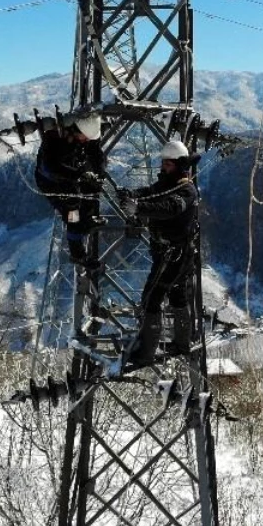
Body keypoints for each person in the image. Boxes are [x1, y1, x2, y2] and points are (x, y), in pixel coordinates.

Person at [120, 139, 200, 367]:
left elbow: (169, 208)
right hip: (175, 252)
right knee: (177, 294)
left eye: (168, 163)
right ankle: (181, 344)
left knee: (152, 298)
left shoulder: (186, 191)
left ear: (179, 165)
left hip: (174, 254)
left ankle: (145, 353)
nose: (163, 167)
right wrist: (133, 194)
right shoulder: (170, 184)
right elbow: (151, 192)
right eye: (163, 162)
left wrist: (139, 208)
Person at [34, 111, 105, 268]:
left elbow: (96, 154)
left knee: (91, 191)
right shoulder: (54, 139)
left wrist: (98, 174)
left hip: (72, 170)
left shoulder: (87, 132)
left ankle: (88, 218)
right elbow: (50, 167)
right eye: (84, 138)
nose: (86, 141)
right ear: (74, 130)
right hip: (51, 181)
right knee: (72, 210)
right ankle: (77, 253)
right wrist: (78, 175)